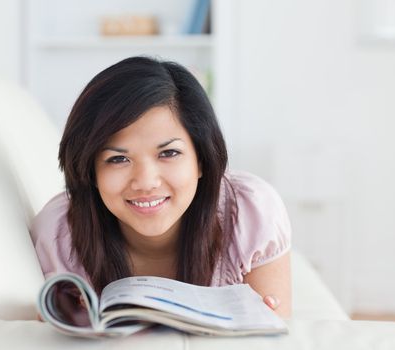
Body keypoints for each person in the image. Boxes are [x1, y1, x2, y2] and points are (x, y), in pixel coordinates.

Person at [30, 56, 292, 323]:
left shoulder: (251, 211)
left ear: (201, 159)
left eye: (169, 153)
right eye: (118, 159)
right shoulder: (59, 234)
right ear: (91, 171)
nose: (145, 182)